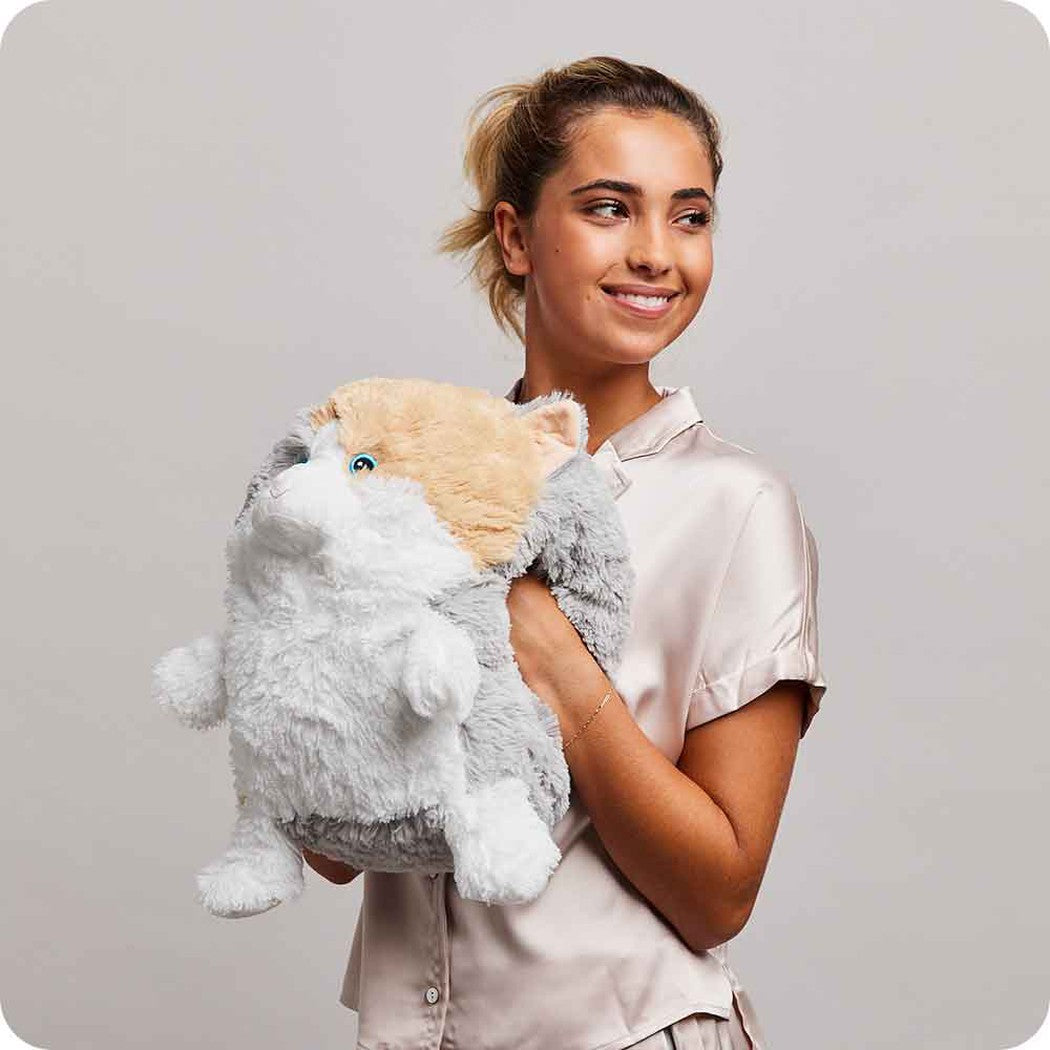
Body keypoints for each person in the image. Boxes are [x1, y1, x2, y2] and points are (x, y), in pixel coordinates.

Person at [304, 55, 828, 1050]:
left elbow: (720, 893)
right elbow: (332, 847)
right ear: (515, 237)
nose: (656, 254)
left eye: (690, 217)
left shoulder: (737, 506)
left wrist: (549, 652)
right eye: (608, 209)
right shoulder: (415, 482)